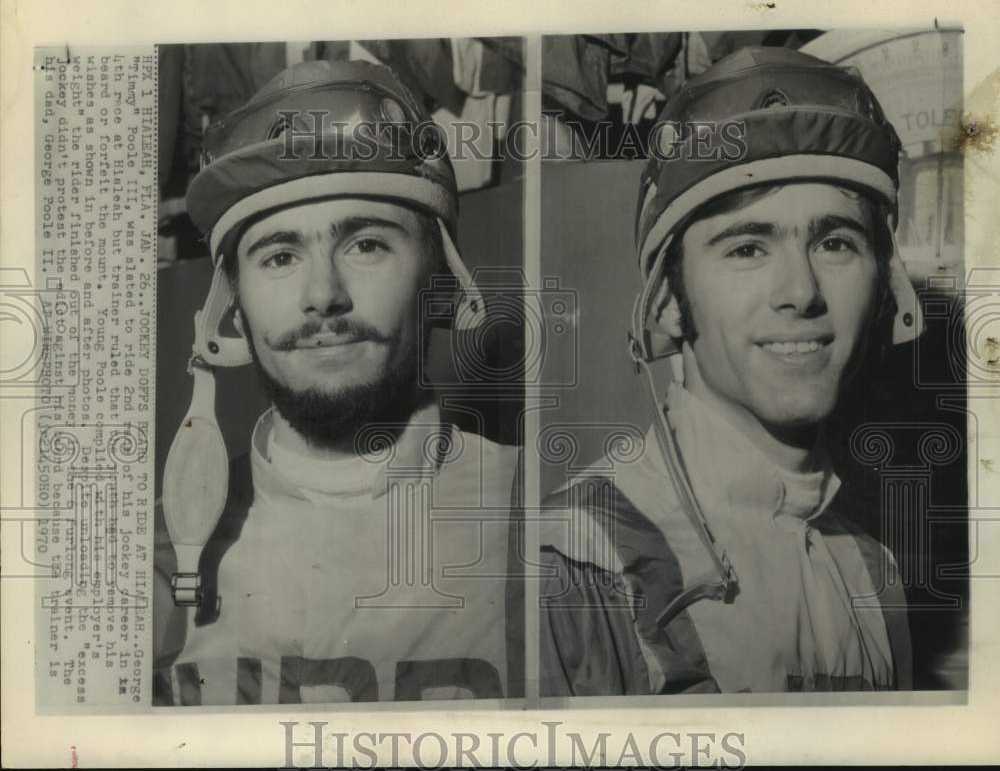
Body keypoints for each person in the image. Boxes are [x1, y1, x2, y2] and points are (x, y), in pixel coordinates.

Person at [539, 46, 920, 695]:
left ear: (885, 287)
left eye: (835, 243)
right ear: (666, 301)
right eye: (747, 246)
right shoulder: (574, 562)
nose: (800, 291)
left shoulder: (872, 569)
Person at [153, 60, 522, 705]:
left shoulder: (550, 522)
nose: (323, 296)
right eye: (280, 257)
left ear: (440, 280)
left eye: (367, 245)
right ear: (232, 308)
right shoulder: (153, 564)